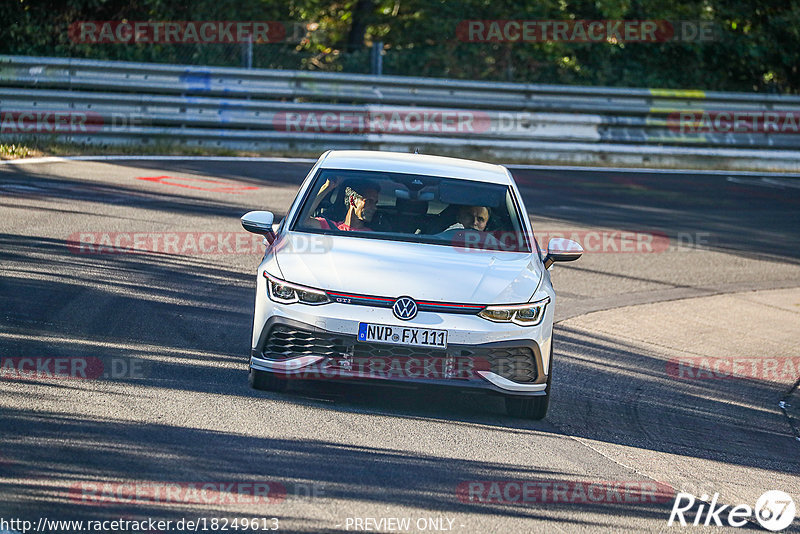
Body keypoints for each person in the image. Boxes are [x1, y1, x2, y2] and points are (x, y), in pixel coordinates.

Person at [306, 179, 380, 232]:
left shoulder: (373, 235)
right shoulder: (329, 226)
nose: (374, 208)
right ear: (353, 200)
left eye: (375, 203)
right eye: (369, 201)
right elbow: (303, 220)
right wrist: (327, 187)